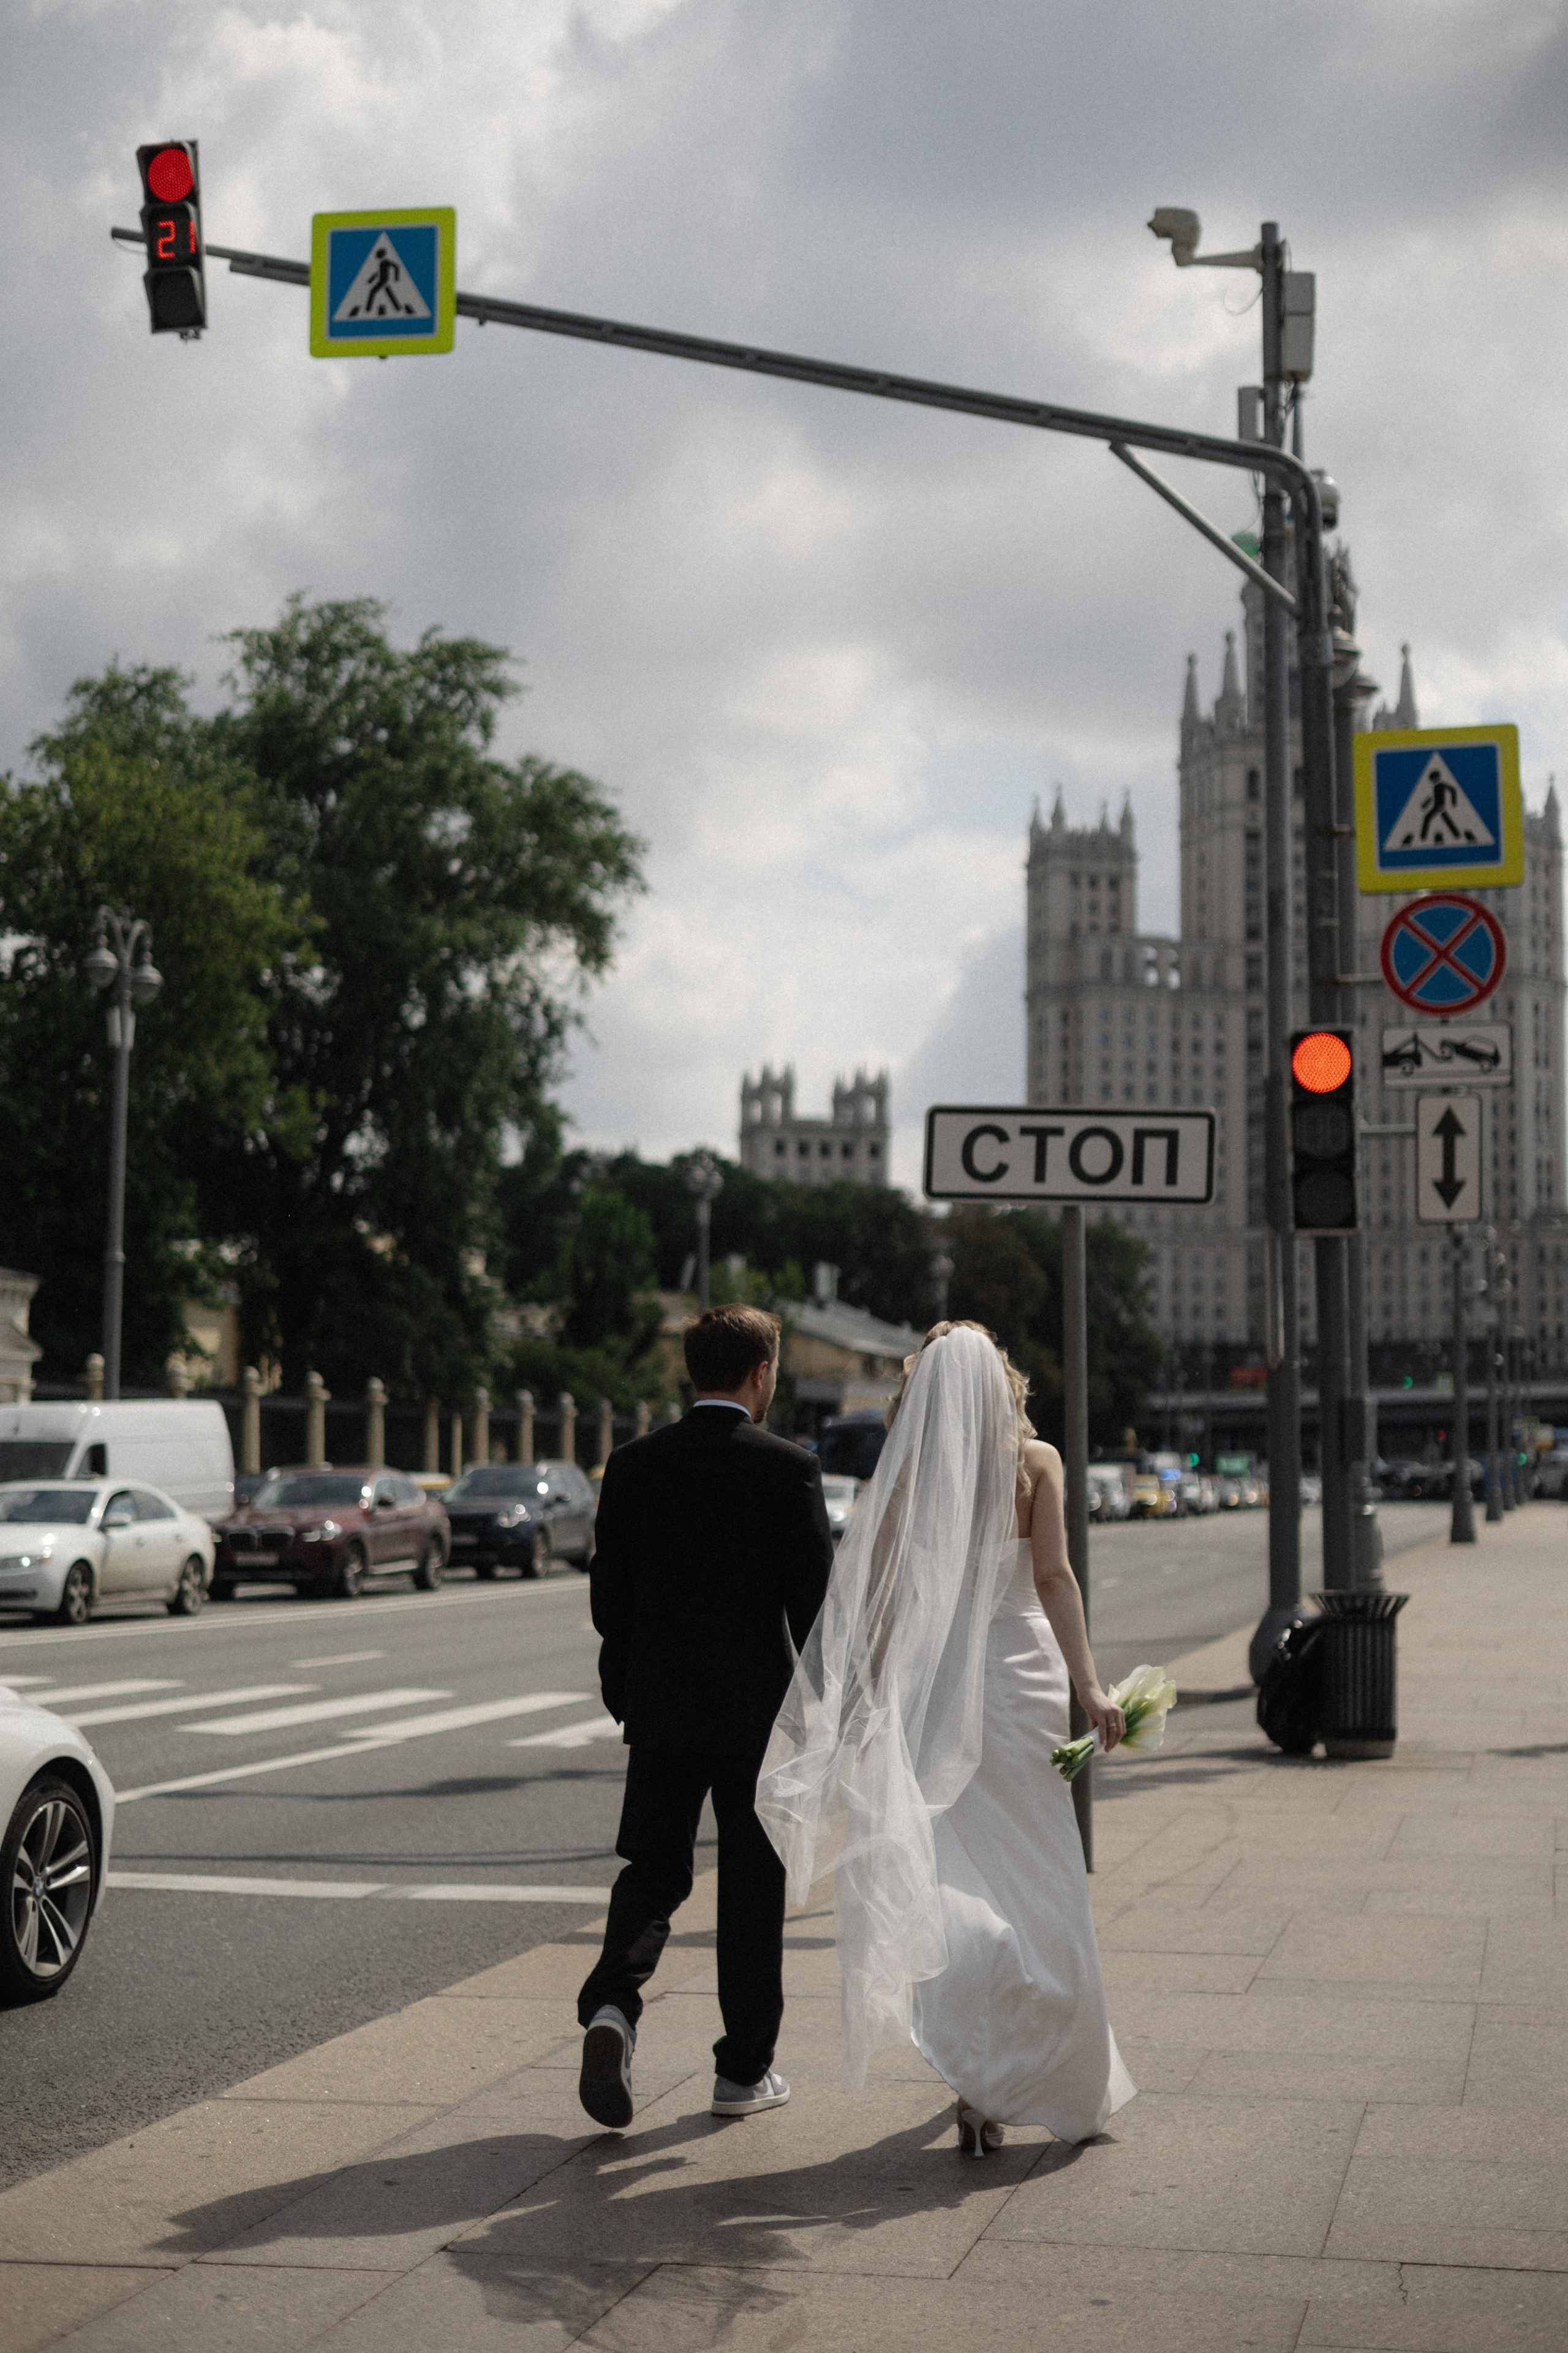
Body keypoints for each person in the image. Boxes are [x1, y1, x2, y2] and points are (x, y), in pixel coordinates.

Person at [756, 1319, 1136, 2155]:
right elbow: (1054, 1577)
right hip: (1024, 1681)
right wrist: (1090, 1686)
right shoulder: (1037, 1464)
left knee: (951, 1864)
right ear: (1002, 1383)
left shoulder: (908, 1474)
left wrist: (874, 1700)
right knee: (1041, 1869)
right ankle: (1040, 2049)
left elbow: (884, 1601)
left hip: (942, 1686)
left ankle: (975, 2072)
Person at [577, 1304, 835, 2129]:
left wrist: (628, 1689)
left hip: (661, 1704)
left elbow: (609, 1598)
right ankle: (742, 2071)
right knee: (752, 1884)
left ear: (694, 1371)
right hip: (758, 1714)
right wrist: (826, 1712)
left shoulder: (633, 1464)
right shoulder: (789, 1468)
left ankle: (613, 2005)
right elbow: (817, 1611)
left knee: (653, 1869)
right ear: (762, 1373)